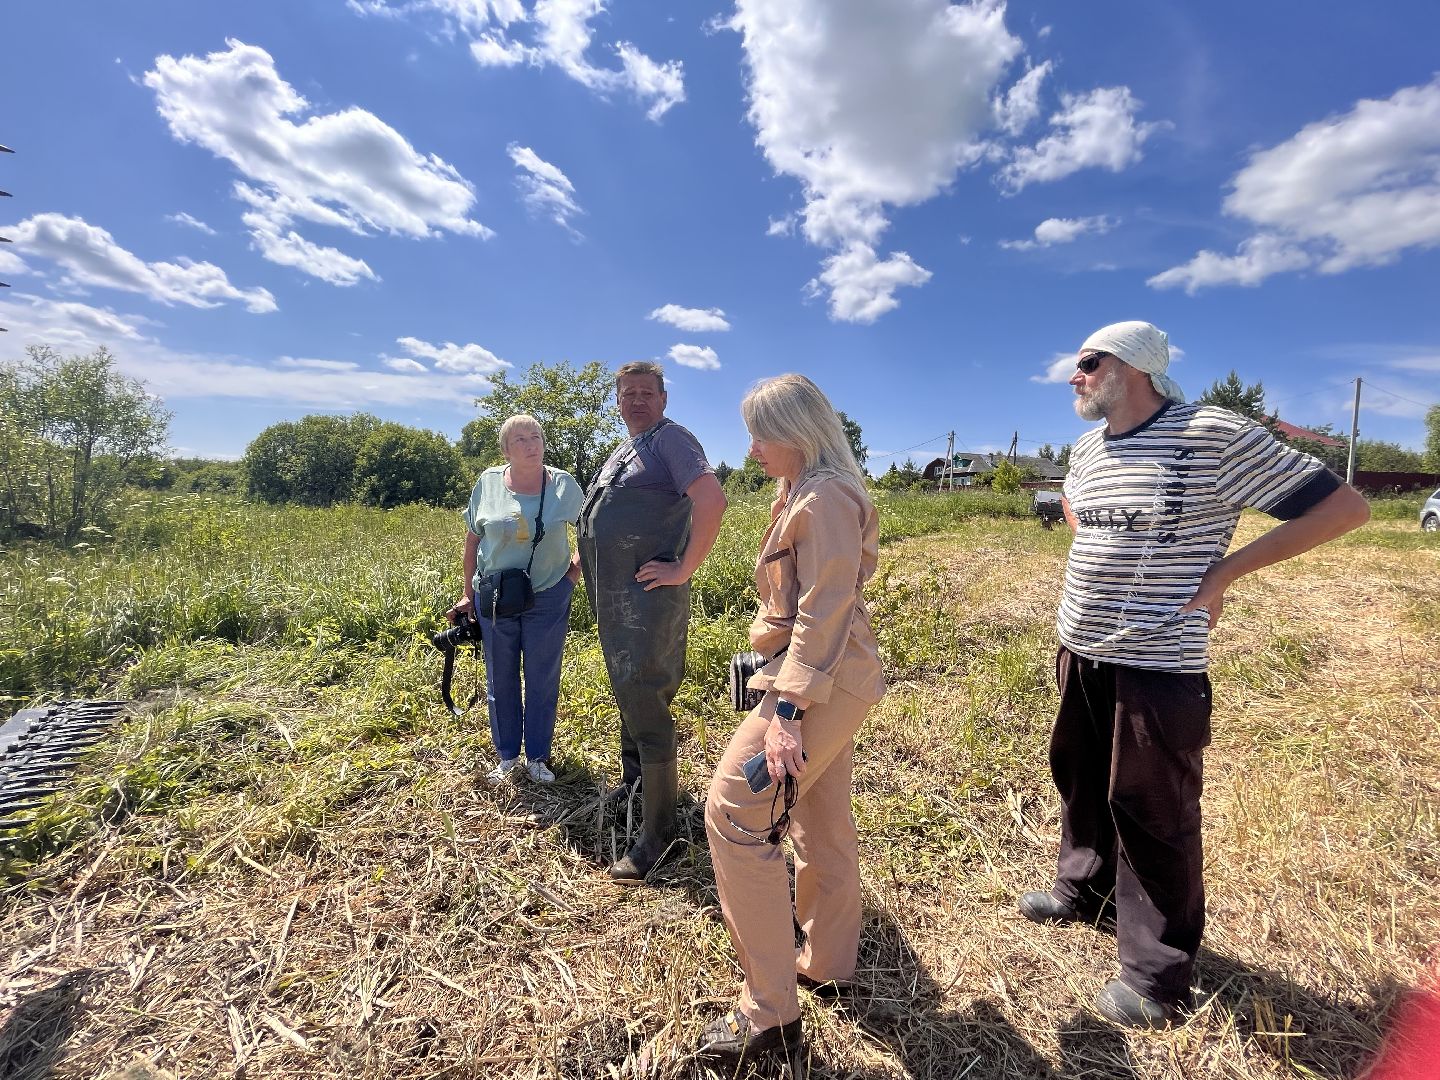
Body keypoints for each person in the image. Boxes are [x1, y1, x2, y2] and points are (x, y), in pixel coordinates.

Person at [1021, 320, 1371, 1028]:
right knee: (1081, 778)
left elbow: (1343, 507)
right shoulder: (1088, 447)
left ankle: (1156, 975)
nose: (1074, 375)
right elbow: (1079, 509)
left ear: (1137, 366)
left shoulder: (1210, 434)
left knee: (1153, 808)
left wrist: (1224, 571)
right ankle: (1083, 888)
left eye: (1088, 362)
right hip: (1081, 646)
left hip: (1158, 658)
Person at [697, 374, 885, 1067]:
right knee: (819, 816)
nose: (750, 449)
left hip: (820, 679)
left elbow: (823, 608)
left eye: (759, 432)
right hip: (833, 676)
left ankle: (769, 1014)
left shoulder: (826, 495)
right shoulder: (807, 490)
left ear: (797, 431)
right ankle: (828, 960)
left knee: (735, 814)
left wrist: (785, 710)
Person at [577, 360, 727, 883]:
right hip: (614, 597)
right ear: (616, 400)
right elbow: (607, 516)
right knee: (627, 688)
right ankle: (638, 784)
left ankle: (657, 834)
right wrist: (583, 558)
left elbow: (712, 499)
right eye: (627, 393)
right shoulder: (625, 448)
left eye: (646, 392)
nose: (636, 401)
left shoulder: (672, 440)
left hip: (646, 599)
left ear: (663, 398)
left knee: (644, 691)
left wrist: (685, 566)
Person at [452, 414, 583, 784]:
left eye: (536, 436)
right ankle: (507, 756)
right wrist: (467, 593)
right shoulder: (488, 483)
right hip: (494, 597)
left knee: (542, 678)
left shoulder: (562, 485)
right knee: (500, 678)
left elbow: (591, 533)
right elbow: (473, 539)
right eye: (521, 439)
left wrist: (571, 577)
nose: (531, 444)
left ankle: (538, 757)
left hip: (547, 596)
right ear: (506, 450)